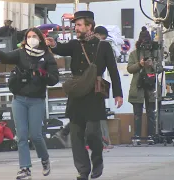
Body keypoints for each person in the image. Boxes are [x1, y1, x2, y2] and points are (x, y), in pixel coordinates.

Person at [46, 11, 123, 180]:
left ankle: (97, 162)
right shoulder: (75, 44)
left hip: (94, 94)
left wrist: (118, 94)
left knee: (93, 133)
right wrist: (53, 44)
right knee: (76, 135)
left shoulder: (103, 46)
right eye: (76, 25)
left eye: (79, 25)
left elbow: (113, 70)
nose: (76, 28)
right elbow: (62, 49)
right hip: (77, 94)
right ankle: (83, 170)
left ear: (89, 26)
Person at [0, 27, 59, 180]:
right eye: (28, 36)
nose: (31, 39)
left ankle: (45, 159)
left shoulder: (47, 56)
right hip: (19, 99)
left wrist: (43, 74)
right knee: (22, 136)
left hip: (37, 100)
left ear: (40, 39)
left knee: (36, 135)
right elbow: (6, 57)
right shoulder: (21, 53)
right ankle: (25, 168)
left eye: (34, 36)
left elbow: (54, 79)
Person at [127, 40, 157, 140]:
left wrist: (153, 65)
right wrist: (139, 64)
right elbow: (130, 69)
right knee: (137, 114)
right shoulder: (133, 54)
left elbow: (160, 69)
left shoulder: (155, 54)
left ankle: (151, 135)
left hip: (151, 87)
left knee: (151, 113)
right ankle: (137, 136)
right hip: (138, 86)